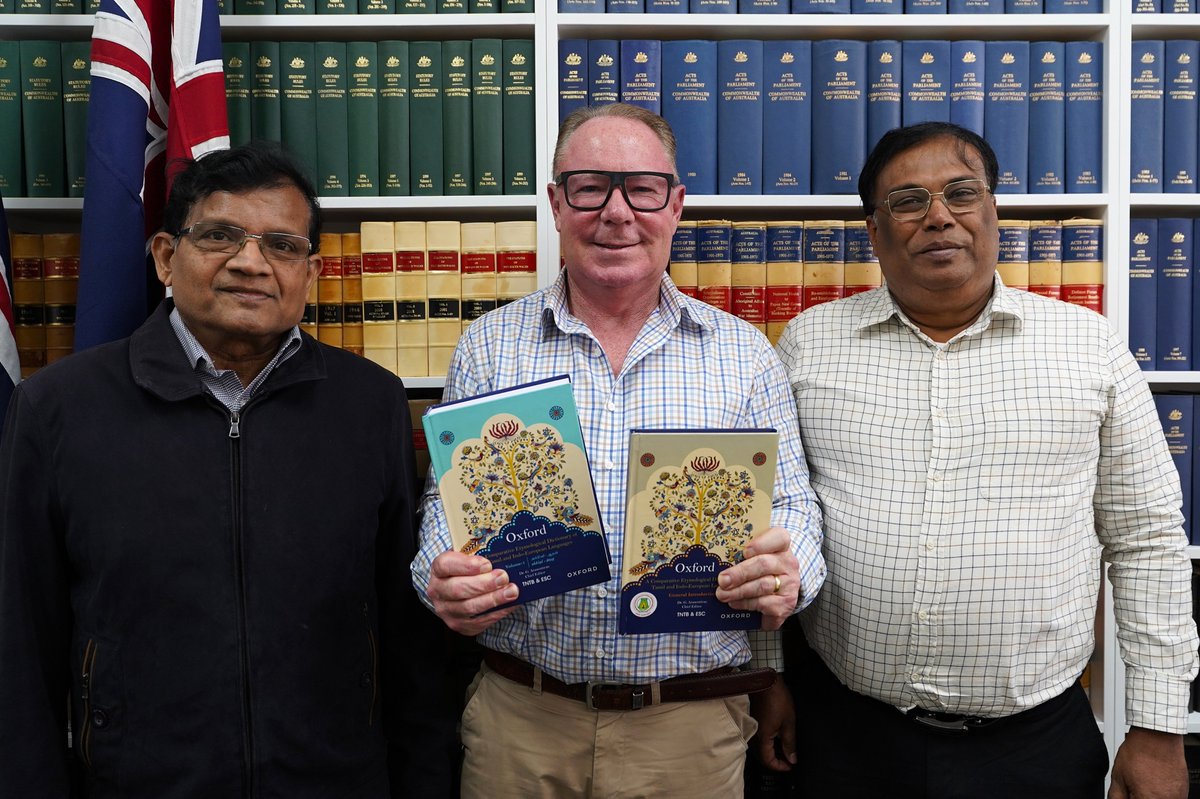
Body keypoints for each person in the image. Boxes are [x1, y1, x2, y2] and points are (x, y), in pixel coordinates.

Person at [0, 143, 455, 797]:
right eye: (219, 236)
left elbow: (408, 641)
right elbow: (19, 648)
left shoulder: (369, 403)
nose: (251, 262)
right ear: (164, 255)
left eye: (281, 244)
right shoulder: (58, 409)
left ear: (311, 270)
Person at [767, 121, 1200, 798]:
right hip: (842, 734)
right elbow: (774, 521)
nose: (938, 217)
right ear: (875, 234)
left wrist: (1159, 726)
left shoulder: (1089, 348)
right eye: (908, 202)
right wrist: (769, 676)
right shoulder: (807, 345)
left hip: (1033, 747)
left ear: (995, 212)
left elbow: (1147, 541)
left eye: (961, 194)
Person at [410, 103, 826, 798]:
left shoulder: (745, 354)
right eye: (589, 186)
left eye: (642, 188)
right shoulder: (490, 344)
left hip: (688, 729)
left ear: (676, 204)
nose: (616, 211)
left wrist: (792, 572)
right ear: (555, 203)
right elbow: (441, 508)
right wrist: (438, 577)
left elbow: (794, 506)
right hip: (521, 721)